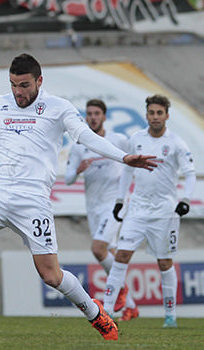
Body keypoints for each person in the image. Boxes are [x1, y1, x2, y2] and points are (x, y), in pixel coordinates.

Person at [0, 54, 158, 341]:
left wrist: (124, 157)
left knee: (51, 276)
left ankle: (95, 314)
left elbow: (86, 137)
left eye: (24, 85)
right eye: (13, 85)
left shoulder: (59, 108)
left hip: (32, 201)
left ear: (39, 81)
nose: (18, 92)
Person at [102, 94, 196, 329]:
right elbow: (126, 171)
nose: (155, 117)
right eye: (151, 113)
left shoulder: (176, 143)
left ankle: (170, 316)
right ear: (146, 115)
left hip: (164, 212)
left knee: (164, 262)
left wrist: (185, 199)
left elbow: (190, 173)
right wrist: (119, 201)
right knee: (121, 255)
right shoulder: (136, 139)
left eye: (159, 113)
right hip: (137, 209)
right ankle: (106, 312)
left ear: (166, 115)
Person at [64, 99, 138, 322]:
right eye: (89, 114)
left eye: (97, 113)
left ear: (105, 116)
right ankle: (131, 307)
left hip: (115, 203)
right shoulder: (79, 146)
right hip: (93, 207)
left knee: (98, 249)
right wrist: (78, 169)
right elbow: (68, 179)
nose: (93, 117)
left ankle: (121, 290)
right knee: (108, 254)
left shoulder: (118, 139)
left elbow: (133, 160)